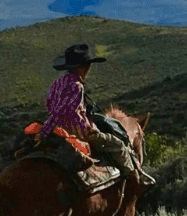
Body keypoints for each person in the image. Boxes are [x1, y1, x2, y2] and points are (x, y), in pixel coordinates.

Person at [41, 43, 154, 185]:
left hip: (56, 129)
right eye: (87, 66)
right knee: (117, 145)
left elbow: (50, 106)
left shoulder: (56, 84)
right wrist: (89, 127)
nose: (88, 70)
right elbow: (65, 111)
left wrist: (46, 129)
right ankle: (134, 179)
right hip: (77, 131)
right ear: (81, 67)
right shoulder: (77, 86)